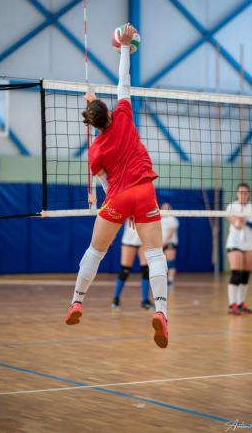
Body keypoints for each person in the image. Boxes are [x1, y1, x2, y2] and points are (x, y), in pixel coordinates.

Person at [64, 24, 169, 348]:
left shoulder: (95, 151)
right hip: (144, 190)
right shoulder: (123, 115)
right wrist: (124, 47)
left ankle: (77, 301)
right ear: (108, 112)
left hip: (118, 196)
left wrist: (120, 207)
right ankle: (161, 311)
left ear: (91, 122)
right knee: (154, 254)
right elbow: (123, 82)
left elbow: (105, 181)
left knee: (96, 250)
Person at [226, 183, 252, 315]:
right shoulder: (231, 206)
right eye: (240, 192)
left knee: (245, 276)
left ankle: (241, 303)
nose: (243, 195)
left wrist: (243, 219)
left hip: (250, 244)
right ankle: (232, 305)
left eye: (245, 192)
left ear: (248, 194)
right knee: (236, 274)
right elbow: (237, 225)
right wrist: (243, 220)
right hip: (234, 243)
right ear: (237, 193)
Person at [111, 219, 153, 310]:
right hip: (129, 241)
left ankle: (145, 301)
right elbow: (116, 221)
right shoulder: (128, 206)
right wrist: (111, 236)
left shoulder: (148, 206)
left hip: (144, 241)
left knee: (146, 271)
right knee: (125, 271)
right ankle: (116, 299)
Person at [160, 203, 179, 286]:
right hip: (161, 243)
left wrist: (165, 241)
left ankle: (170, 280)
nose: (164, 209)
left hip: (170, 243)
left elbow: (171, 232)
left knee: (170, 262)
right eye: (163, 208)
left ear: (169, 209)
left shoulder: (172, 219)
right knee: (161, 263)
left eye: (166, 208)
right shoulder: (160, 219)